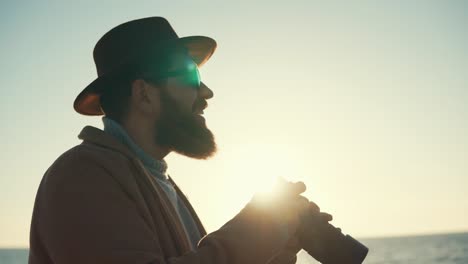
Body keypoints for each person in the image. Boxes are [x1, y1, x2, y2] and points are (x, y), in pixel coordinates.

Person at [28, 17, 323, 264]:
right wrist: (258, 230)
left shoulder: (157, 181)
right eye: (191, 75)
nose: (206, 92)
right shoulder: (81, 175)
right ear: (144, 94)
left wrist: (269, 252)